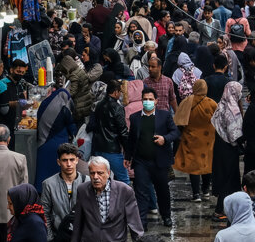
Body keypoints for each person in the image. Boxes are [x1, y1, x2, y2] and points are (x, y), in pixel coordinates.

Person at [124, 87, 181, 229]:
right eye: (145, 99)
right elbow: (131, 138)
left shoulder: (164, 115)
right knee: (141, 191)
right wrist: (128, 156)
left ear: (156, 101)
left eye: (150, 99)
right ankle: (142, 220)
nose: (148, 102)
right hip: (141, 161)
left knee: (162, 190)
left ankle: (166, 216)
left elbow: (175, 132)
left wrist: (165, 139)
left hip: (160, 161)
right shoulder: (135, 117)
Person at [173, 79, 217, 202]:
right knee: (206, 164)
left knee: (194, 166)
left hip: (191, 139)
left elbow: (179, 121)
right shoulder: (212, 103)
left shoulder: (187, 102)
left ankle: (196, 194)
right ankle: (206, 190)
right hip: (208, 139)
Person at [210, 81, 244, 221]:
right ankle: (220, 210)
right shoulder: (232, 109)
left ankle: (227, 208)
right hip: (229, 148)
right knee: (228, 179)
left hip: (219, 145)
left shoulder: (221, 105)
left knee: (224, 177)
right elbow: (234, 134)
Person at [35, 88, 78, 191]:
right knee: (57, 172)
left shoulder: (45, 103)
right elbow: (71, 125)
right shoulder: (64, 107)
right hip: (58, 142)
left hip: (43, 142)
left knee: (43, 170)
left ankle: (41, 191)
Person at [90, 79, 130, 185]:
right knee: (123, 180)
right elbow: (123, 131)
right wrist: (128, 152)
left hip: (98, 148)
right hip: (113, 149)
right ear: (116, 92)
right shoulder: (117, 108)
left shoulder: (98, 106)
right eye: (120, 92)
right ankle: (125, 201)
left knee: (101, 180)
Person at [56, 53, 92, 125]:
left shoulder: (74, 75)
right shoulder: (79, 70)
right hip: (87, 99)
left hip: (80, 104)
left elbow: (72, 92)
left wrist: (62, 95)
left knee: (78, 125)